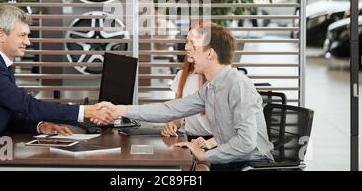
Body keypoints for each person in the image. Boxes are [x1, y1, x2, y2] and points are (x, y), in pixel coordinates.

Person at [0, 5, 115, 171]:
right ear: (1, 35)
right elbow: (27, 105)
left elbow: (7, 111)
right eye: (22, 35)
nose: (27, 42)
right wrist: (86, 112)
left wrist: (40, 126)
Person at [97, 22, 274, 170]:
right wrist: (118, 109)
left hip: (253, 164)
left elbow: (246, 142)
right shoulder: (210, 87)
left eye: (192, 44)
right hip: (231, 161)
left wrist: (206, 154)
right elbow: (170, 109)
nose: (186, 48)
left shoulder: (238, 85)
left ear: (210, 53)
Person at [161, 56, 215, 147]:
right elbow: (179, 115)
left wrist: (210, 143)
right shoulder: (182, 75)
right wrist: (173, 124)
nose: (187, 47)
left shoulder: (215, 77)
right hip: (190, 138)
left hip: (214, 141)